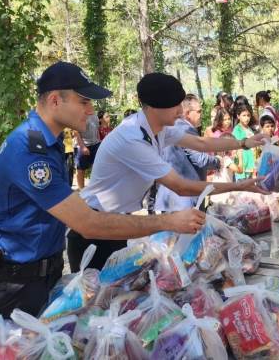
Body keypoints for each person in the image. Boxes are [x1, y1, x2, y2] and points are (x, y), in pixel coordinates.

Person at [0, 61, 206, 347]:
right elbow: (87, 223)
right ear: (54, 100)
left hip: (40, 277)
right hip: (10, 286)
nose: (90, 111)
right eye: (84, 101)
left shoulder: (47, 143)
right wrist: (168, 221)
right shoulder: (30, 151)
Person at [68, 73, 266, 272]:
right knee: (100, 298)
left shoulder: (158, 128)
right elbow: (181, 186)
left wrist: (244, 143)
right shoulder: (133, 138)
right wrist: (239, 185)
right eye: (175, 105)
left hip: (117, 223)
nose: (181, 111)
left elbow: (199, 142)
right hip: (94, 230)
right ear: (154, 107)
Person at [153, 94, 221, 212]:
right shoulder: (185, 129)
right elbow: (201, 159)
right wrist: (218, 161)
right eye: (199, 111)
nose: (201, 115)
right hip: (184, 199)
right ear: (188, 113)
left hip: (170, 197)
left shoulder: (169, 128)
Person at [74, 107, 101, 189]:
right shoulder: (80, 113)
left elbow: (97, 130)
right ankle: (81, 190)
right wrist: (82, 147)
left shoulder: (94, 115)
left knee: (96, 166)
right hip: (82, 145)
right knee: (81, 169)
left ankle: (94, 189)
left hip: (95, 144)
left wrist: (99, 142)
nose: (90, 104)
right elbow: (76, 131)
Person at [231, 103, 257, 180]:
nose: (247, 118)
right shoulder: (237, 130)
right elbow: (237, 148)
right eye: (244, 115)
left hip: (251, 165)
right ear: (238, 116)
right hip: (242, 167)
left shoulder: (249, 129)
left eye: (248, 115)